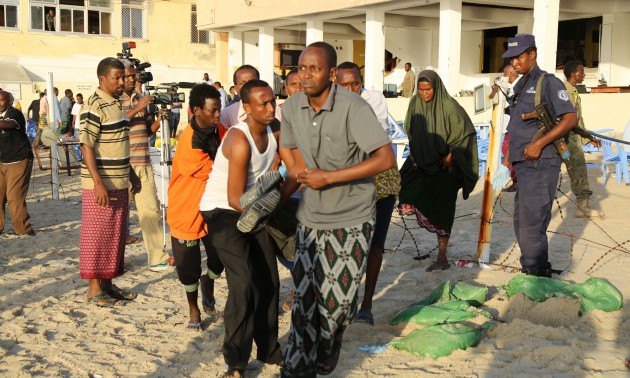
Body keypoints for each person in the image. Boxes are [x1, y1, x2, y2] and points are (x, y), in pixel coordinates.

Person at [279, 42, 395, 378]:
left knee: (338, 305)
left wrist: (329, 177)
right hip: (311, 218)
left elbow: (385, 159)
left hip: (352, 218)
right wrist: (299, 173)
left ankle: (332, 341)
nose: (306, 75)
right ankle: (296, 368)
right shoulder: (291, 107)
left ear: (330, 74)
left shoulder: (353, 107)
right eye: (302, 68)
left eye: (314, 69)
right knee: (303, 301)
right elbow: (288, 149)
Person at [199, 79, 283, 377]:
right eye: (263, 103)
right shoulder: (238, 139)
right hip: (223, 210)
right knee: (244, 282)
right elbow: (235, 199)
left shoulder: (275, 130)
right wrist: (268, 202)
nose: (271, 108)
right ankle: (235, 362)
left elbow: (291, 165)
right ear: (246, 108)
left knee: (269, 280)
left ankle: (270, 350)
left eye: (272, 101)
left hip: (252, 207)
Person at [492, 34, 577, 277]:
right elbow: (516, 130)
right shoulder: (521, 85)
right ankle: (534, 268)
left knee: (531, 225)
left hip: (541, 163)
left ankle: (537, 274)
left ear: (532, 54)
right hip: (523, 165)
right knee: (522, 223)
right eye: (511, 58)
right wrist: (507, 162)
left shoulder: (547, 83)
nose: (514, 63)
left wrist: (539, 144)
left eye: (518, 57)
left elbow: (570, 118)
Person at [336, 61, 400, 325]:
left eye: (355, 83)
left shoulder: (374, 100)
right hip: (344, 183)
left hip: (379, 182)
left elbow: (373, 140)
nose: (351, 88)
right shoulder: (328, 103)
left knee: (375, 246)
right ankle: (346, 300)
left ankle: (367, 304)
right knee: (347, 246)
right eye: (344, 84)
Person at [398, 70, 479, 272]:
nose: (425, 94)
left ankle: (442, 256)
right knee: (405, 190)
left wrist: (452, 155)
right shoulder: (414, 103)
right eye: (421, 89)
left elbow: (465, 133)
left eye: (428, 89)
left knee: (443, 211)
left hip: (444, 168)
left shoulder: (449, 106)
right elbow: (411, 128)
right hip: (420, 163)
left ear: (436, 87)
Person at [168, 84, 227, 331]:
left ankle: (209, 283)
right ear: (196, 111)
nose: (217, 115)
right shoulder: (189, 144)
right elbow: (220, 170)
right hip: (187, 210)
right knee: (188, 267)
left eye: (219, 109)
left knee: (219, 258)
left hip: (214, 207)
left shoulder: (221, 130)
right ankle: (193, 307)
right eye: (212, 111)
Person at [79, 57, 137, 307]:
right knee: (97, 236)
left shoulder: (118, 104)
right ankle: (94, 289)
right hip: (100, 184)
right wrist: (98, 183)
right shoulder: (93, 105)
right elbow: (86, 145)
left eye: (123, 77)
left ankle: (108, 283)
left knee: (115, 235)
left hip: (120, 181)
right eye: (117, 77)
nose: (122, 81)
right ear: (102, 79)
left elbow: (121, 143)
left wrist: (131, 174)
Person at [119, 59, 173, 271]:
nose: (133, 79)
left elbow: (146, 130)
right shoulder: (114, 100)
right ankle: (115, 260)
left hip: (143, 162)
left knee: (150, 211)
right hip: (123, 165)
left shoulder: (141, 98)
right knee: (119, 215)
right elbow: (115, 123)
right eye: (128, 76)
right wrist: (137, 107)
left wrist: (159, 120)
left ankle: (157, 257)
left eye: (134, 76)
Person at [563, 59, 603, 218]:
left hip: (573, 135)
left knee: (576, 170)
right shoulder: (565, 92)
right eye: (582, 72)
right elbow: (569, 120)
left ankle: (582, 206)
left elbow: (578, 119)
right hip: (567, 137)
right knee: (578, 170)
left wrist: (588, 137)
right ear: (573, 74)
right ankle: (582, 208)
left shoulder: (573, 91)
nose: (584, 75)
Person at [0, 90, 35, 237]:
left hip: (19, 159)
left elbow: (7, 125)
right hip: (2, 161)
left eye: (1, 100)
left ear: (9, 101)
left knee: (14, 197)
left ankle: (24, 230)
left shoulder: (15, 114)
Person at [489, 64, 521, 192]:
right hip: (509, 126)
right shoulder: (509, 86)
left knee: (510, 152)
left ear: (511, 74)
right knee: (506, 151)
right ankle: (515, 180)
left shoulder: (519, 86)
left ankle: (517, 180)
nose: (503, 77)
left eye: (505, 74)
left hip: (516, 126)